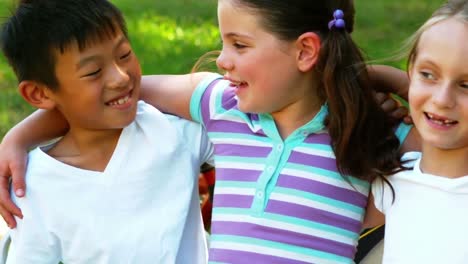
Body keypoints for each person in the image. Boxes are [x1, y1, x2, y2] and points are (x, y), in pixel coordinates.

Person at [0, 0, 420, 263]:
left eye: (238, 45)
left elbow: (448, 138)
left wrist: (395, 83)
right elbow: (110, 97)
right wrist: (18, 137)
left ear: (306, 51)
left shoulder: (365, 129)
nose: (222, 60)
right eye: (225, 44)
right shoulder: (225, 109)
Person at [0, 0, 212, 263]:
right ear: (39, 93)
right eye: (94, 71)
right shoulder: (34, 188)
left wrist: (18, 136)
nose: (121, 77)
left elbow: (229, 108)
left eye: (124, 55)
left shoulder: (171, 133)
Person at [364, 0, 468, 263]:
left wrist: (396, 83)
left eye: (466, 85)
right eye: (428, 74)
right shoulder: (391, 182)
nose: (442, 99)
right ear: (411, 70)